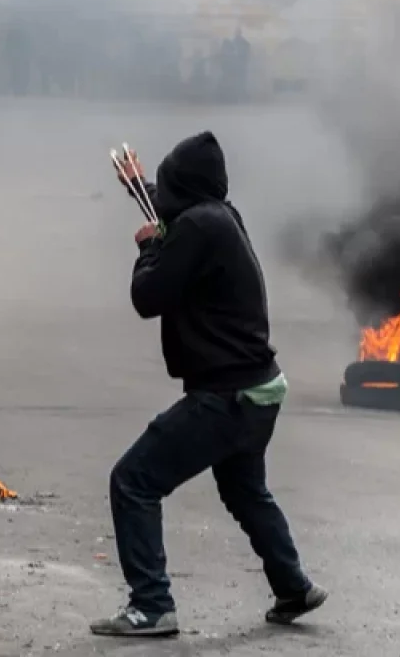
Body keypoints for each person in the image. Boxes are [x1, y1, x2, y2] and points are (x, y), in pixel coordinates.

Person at [90, 132, 327, 638]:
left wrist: (148, 248)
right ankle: (294, 587)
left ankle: (151, 605)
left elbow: (147, 296)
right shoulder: (221, 215)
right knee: (245, 491)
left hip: (225, 397)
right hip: (259, 390)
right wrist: (138, 184)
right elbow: (176, 209)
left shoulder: (196, 227)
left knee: (133, 481)